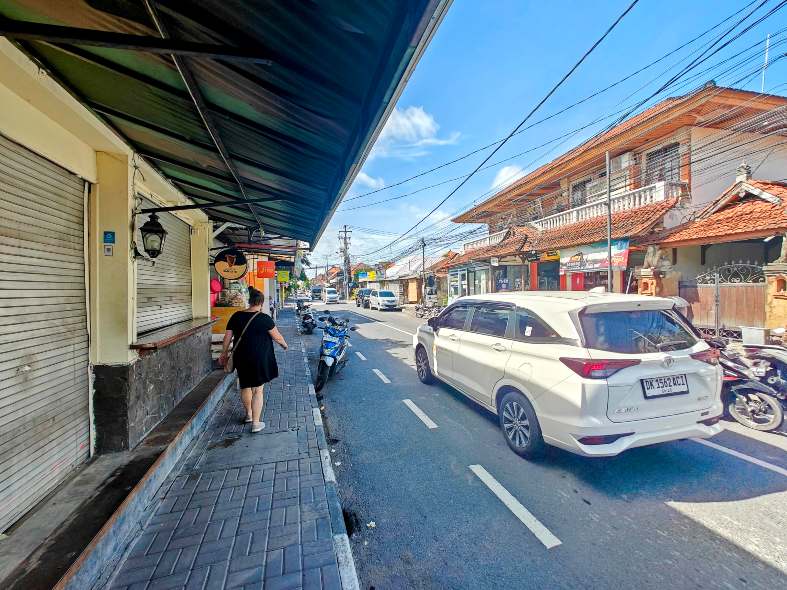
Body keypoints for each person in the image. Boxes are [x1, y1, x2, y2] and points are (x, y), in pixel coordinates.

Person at [219, 287, 288, 433]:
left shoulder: (236, 316)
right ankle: (256, 423)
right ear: (261, 303)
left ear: (249, 301)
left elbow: (227, 337)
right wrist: (284, 345)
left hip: (241, 357)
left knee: (245, 385)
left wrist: (224, 353)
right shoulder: (264, 318)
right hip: (259, 358)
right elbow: (277, 337)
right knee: (258, 390)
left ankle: (249, 415)